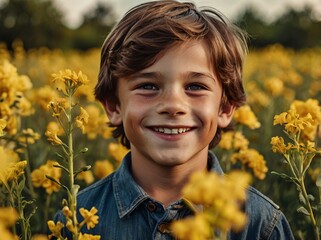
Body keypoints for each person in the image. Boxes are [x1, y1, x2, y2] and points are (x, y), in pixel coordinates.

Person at [54, 1, 295, 239]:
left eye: (195, 86)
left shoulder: (262, 225)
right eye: (148, 86)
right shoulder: (74, 220)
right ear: (114, 106)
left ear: (225, 107)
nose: (173, 106)